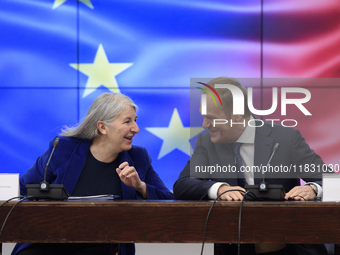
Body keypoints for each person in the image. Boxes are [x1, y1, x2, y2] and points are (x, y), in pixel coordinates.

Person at [173, 77, 330, 255]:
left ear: (237, 115)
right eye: (203, 116)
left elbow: (333, 182)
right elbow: (182, 184)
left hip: (288, 248)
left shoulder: (286, 138)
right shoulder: (207, 141)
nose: (204, 124)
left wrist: (313, 188)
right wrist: (219, 189)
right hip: (234, 249)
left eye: (211, 118)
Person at [13, 92, 174, 255]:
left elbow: (169, 201)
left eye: (135, 120)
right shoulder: (63, 148)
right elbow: (22, 188)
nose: (136, 129)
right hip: (50, 239)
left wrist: (141, 186)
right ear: (102, 127)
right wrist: (37, 222)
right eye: (127, 121)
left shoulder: (138, 158)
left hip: (101, 244)